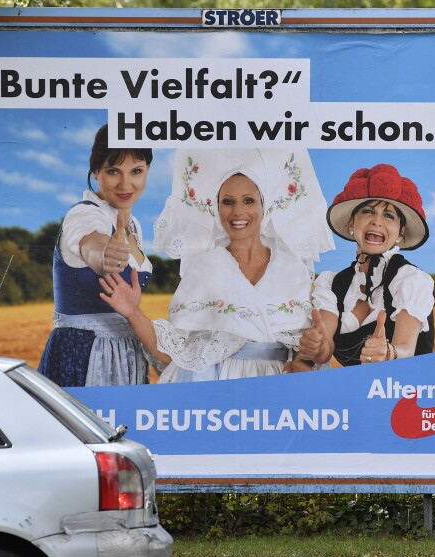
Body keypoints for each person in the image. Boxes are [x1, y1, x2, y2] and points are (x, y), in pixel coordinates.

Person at [100, 148, 334, 382]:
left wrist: (314, 349)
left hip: (277, 384)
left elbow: (312, 353)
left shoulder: (292, 269)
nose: (238, 211)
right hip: (216, 384)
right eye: (228, 202)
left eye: (249, 200)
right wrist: (132, 311)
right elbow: (173, 353)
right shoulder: (204, 268)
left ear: (265, 207)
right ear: (216, 208)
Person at [37, 124, 153, 386]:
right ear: (96, 172)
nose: (126, 184)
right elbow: (91, 243)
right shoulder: (84, 213)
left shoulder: (133, 226)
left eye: (136, 171)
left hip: (126, 354)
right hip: (85, 353)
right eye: (113, 171)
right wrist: (103, 255)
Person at [293, 164, 435, 369]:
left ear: (400, 232)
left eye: (388, 216)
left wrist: (388, 353)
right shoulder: (333, 284)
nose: (376, 221)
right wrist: (316, 346)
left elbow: (405, 349)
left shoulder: (411, 280)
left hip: (403, 394)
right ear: (352, 223)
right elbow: (325, 350)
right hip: (353, 396)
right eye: (368, 211)